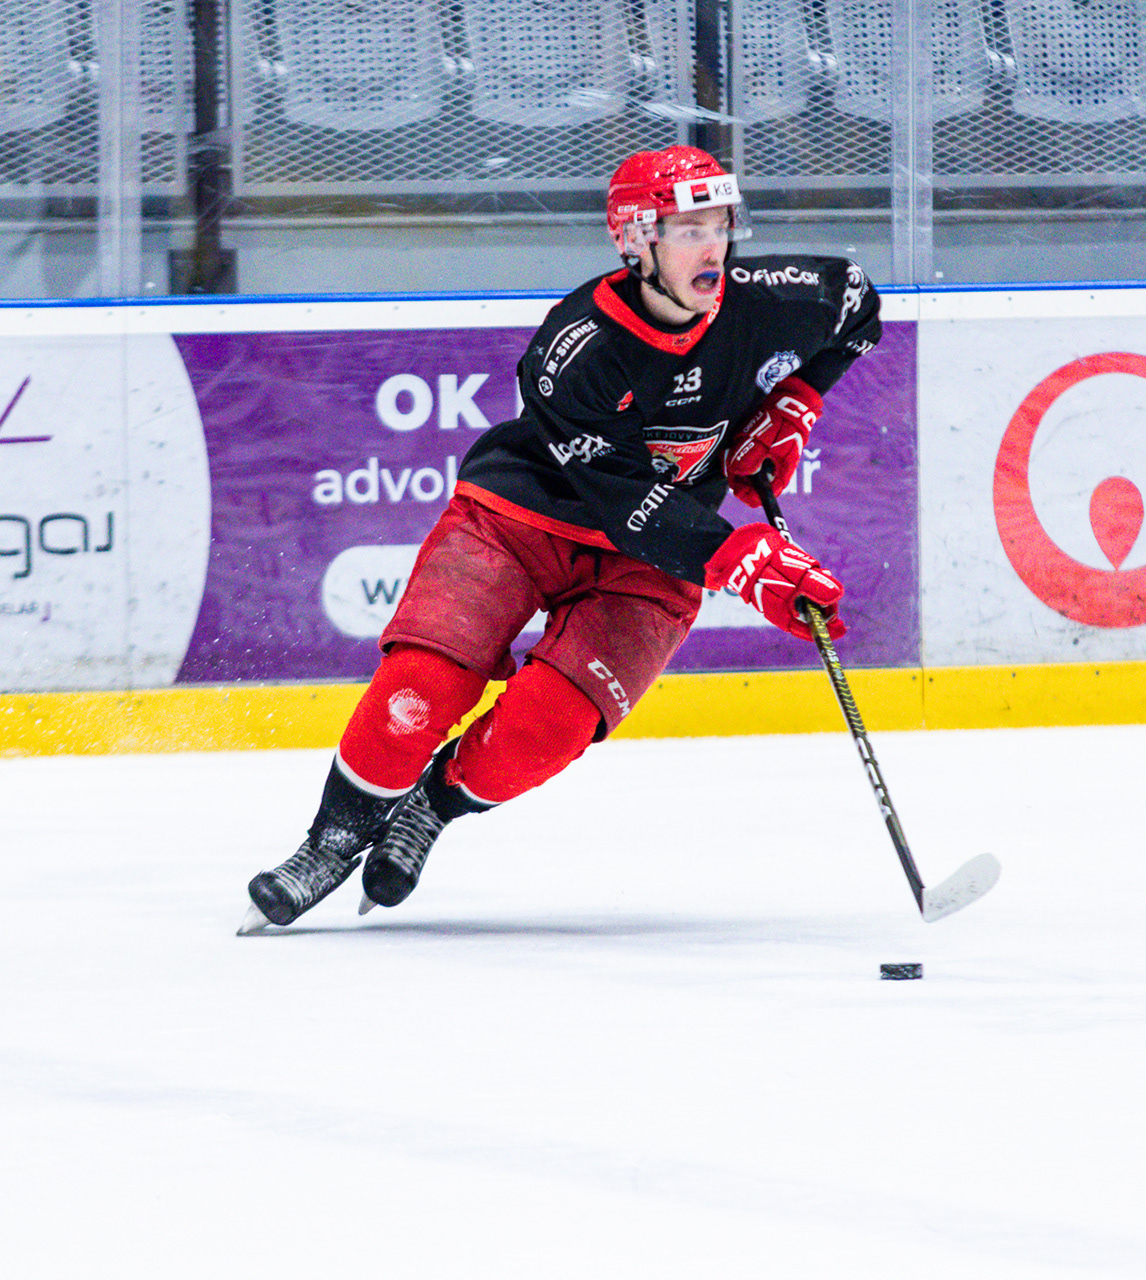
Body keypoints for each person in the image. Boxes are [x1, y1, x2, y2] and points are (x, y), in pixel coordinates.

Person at [241, 146, 882, 931]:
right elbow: (623, 499)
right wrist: (737, 557)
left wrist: (794, 404)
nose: (713, 247)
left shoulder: (775, 297)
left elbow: (859, 305)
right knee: (422, 686)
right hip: (521, 519)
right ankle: (330, 843)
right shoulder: (576, 348)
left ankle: (431, 806)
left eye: (720, 225)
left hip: (652, 561)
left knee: (544, 731)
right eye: (689, 231)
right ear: (636, 239)